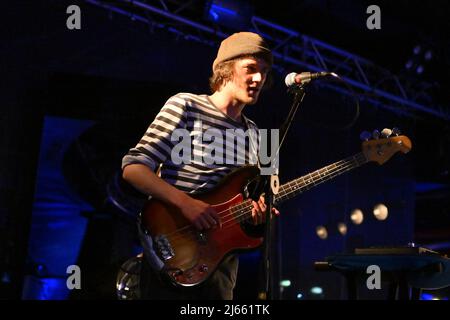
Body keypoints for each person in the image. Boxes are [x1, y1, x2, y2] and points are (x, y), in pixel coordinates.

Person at [121, 31, 278, 300]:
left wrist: (260, 212)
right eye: (251, 69)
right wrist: (186, 203)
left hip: (221, 266)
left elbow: (265, 199)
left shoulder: (262, 138)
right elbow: (133, 169)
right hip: (174, 246)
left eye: (263, 72)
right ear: (225, 70)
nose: (259, 79)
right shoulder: (186, 104)